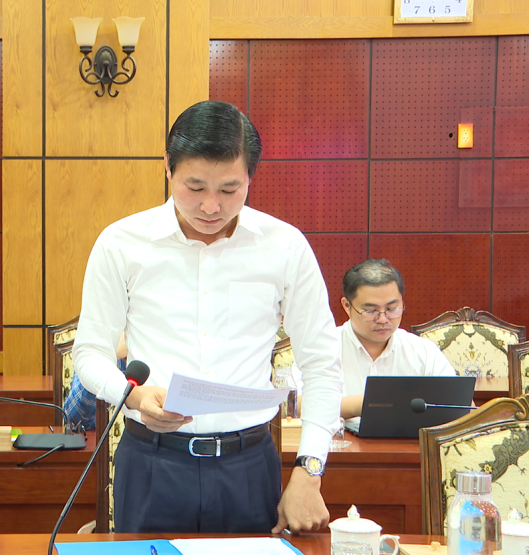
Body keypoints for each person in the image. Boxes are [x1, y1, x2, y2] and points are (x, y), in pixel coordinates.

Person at [73, 100, 343, 535]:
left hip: (248, 466)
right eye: (195, 187)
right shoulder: (121, 243)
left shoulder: (284, 246)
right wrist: (132, 396)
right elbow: (89, 354)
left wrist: (309, 472)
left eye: (230, 189)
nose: (211, 207)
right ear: (168, 167)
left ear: (250, 176)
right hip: (152, 463)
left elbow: (323, 363)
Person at [338, 259, 457, 420]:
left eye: (392, 309)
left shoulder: (423, 351)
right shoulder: (323, 349)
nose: (383, 319)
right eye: (370, 311)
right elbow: (303, 406)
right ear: (347, 306)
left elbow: (461, 406)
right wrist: (367, 403)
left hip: (411, 437)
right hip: (342, 436)